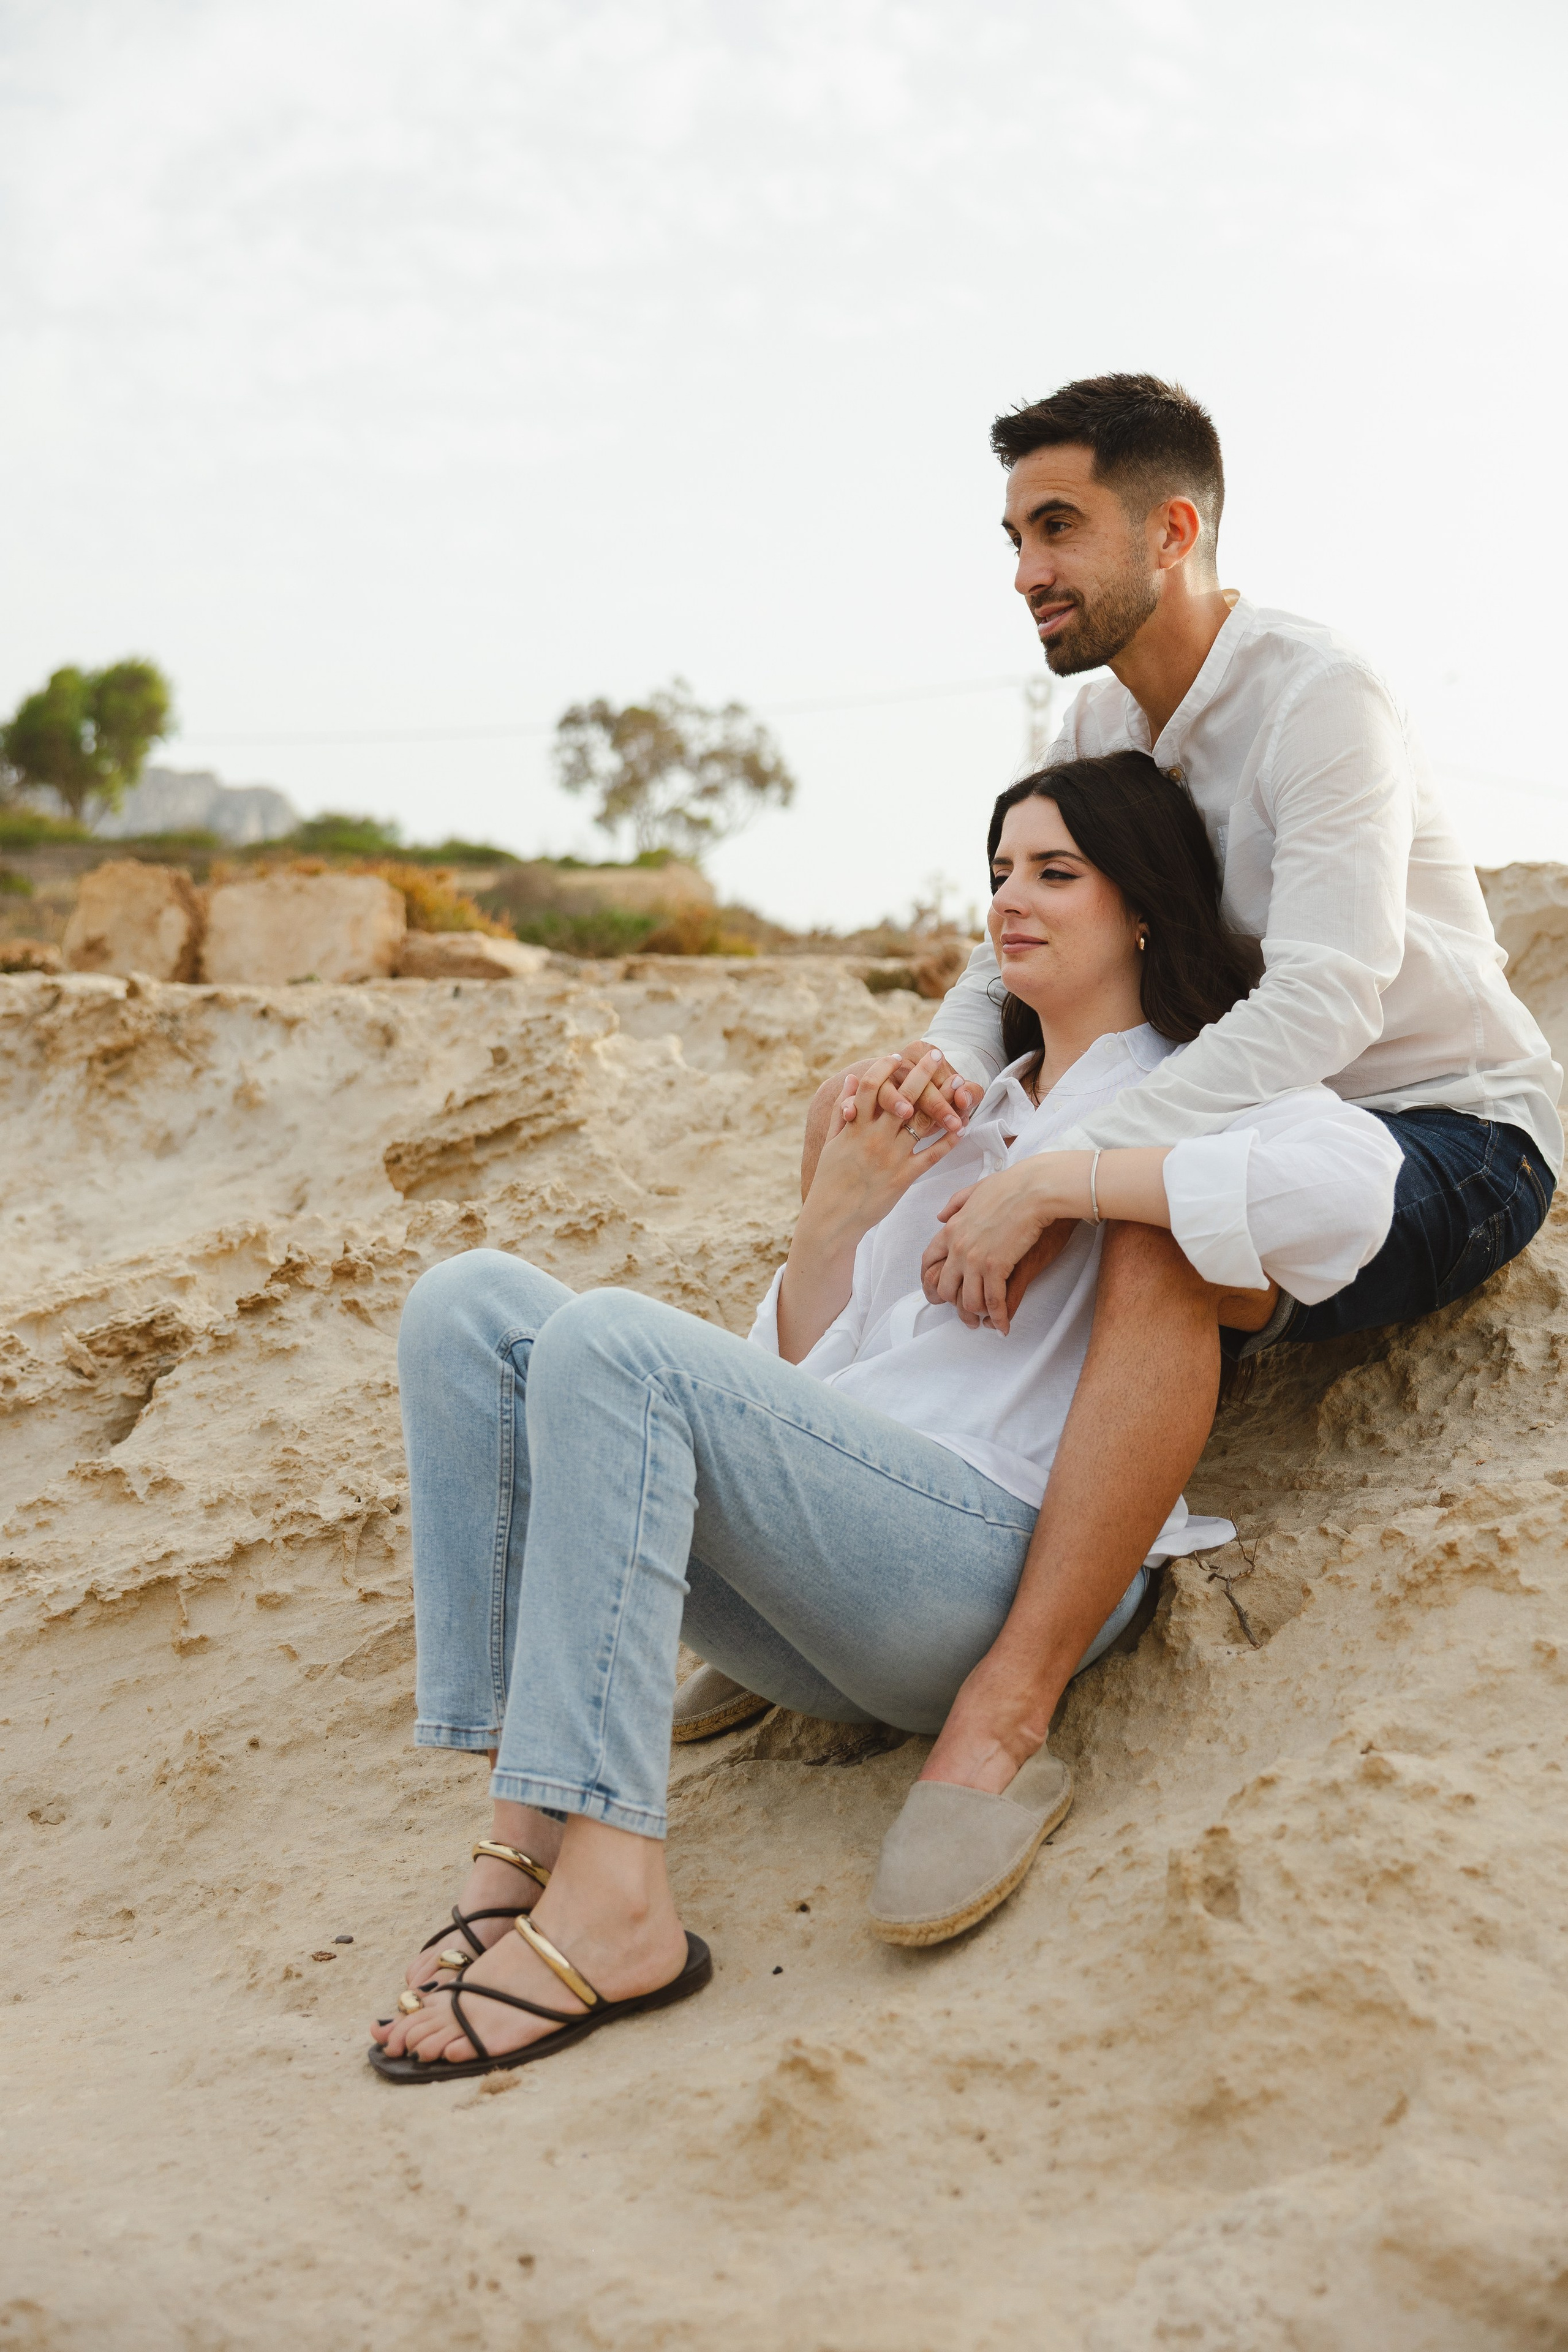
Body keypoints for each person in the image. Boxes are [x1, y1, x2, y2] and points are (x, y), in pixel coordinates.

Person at [369, 752, 1401, 2081]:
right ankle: (525, 1838)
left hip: (990, 1564)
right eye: (995, 875)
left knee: (616, 1342)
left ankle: (616, 1904)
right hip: (837, 1576)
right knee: (467, 1309)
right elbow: (786, 1389)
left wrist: (1067, 1187)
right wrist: (833, 1219)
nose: (1008, 901)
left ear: (1140, 905)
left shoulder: (1204, 1084)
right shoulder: (956, 1111)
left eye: (1052, 873)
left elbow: (1351, 1192)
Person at [801, 372, 1561, 1807]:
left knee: (1164, 1224)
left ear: (1169, 531)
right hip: (1229, 1101)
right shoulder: (1095, 732)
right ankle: (815, 1570)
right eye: (1014, 536)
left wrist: (1053, 1174)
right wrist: (953, 1069)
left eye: (1057, 528)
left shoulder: (1315, 701)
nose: (1025, 572)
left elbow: (1326, 995)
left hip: (1438, 1133)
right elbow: (1004, 946)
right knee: (878, 1109)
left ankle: (1007, 1705)